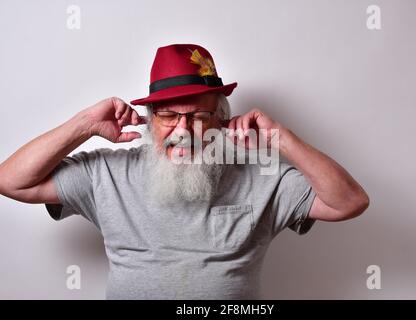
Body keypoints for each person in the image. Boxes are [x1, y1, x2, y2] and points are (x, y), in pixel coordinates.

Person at [0, 44, 369, 299]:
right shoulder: (106, 175)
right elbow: (11, 180)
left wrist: (282, 140)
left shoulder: (263, 177)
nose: (183, 130)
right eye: (168, 116)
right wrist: (84, 125)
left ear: (221, 121)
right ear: (149, 121)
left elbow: (349, 202)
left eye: (198, 116)